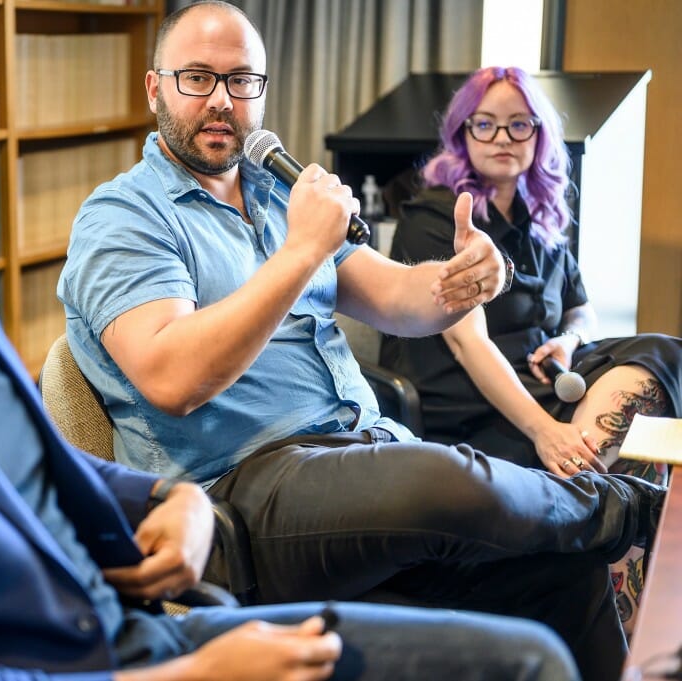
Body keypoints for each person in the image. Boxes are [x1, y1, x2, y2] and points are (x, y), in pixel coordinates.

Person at [0, 16, 589, 681]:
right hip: (124, 652)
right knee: (471, 513)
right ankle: (614, 505)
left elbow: (40, 464)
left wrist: (169, 497)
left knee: (537, 640)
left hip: (139, 627)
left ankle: (600, 522)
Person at [56, 3, 666, 680]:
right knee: (447, 480)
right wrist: (300, 252)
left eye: (241, 81)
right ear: (156, 88)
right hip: (244, 490)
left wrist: (463, 280)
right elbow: (172, 376)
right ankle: (647, 514)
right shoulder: (124, 215)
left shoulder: (274, 194)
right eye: (197, 78)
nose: (222, 101)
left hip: (363, 458)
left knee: (561, 569)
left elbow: (401, 298)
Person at [379, 65, 681, 631]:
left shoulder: (542, 220)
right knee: (630, 456)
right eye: (485, 124)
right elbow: (470, 347)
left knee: (664, 353)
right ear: (462, 133)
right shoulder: (434, 218)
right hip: (468, 407)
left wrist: (568, 341)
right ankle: (581, 510)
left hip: (542, 388)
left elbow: (579, 309)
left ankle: (575, 498)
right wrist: (546, 431)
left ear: (539, 136)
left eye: (519, 126)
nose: (501, 139)